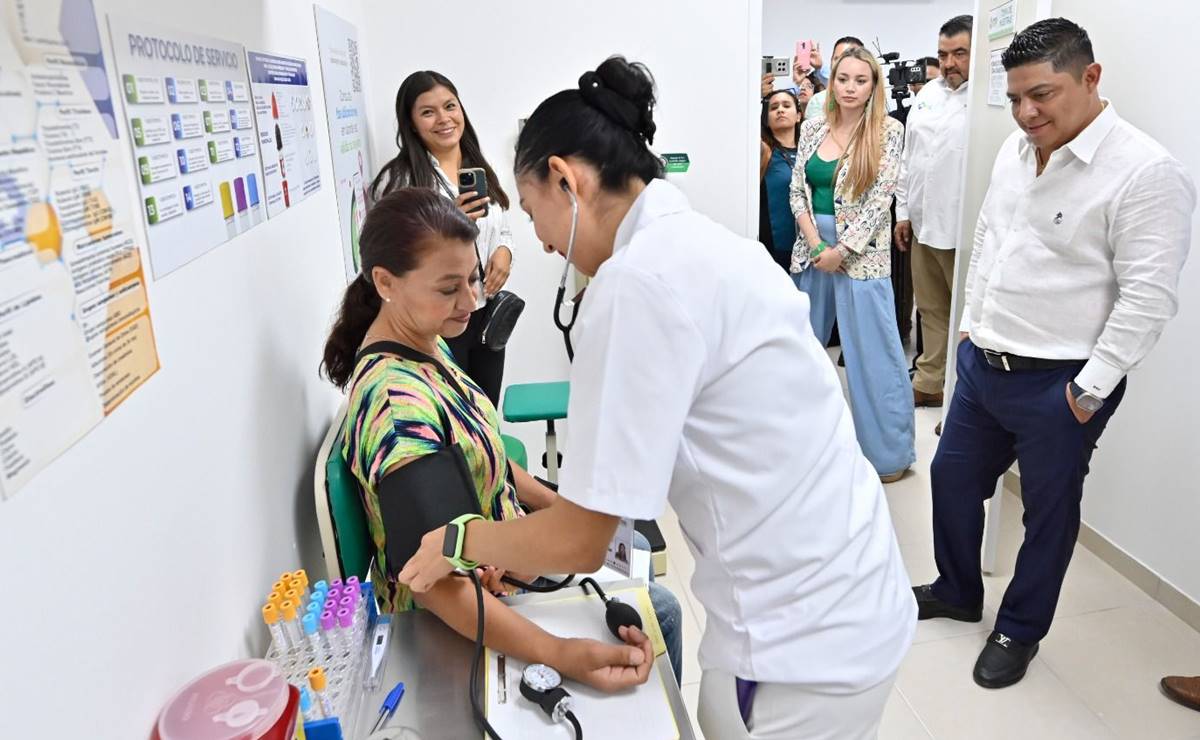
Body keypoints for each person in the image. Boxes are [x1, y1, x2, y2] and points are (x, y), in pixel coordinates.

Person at [400, 56, 915, 740]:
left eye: (535, 214)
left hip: (800, 648)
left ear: (565, 178)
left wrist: (460, 539)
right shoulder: (702, 244)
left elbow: (582, 540)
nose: (548, 244)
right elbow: (614, 502)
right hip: (854, 595)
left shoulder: (636, 284)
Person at [914, 18, 1195, 689]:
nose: (1025, 112)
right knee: (951, 478)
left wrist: (1087, 389)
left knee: (1048, 512)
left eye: (1041, 94)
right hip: (987, 362)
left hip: (1062, 382)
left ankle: (1018, 629)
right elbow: (988, 238)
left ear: (1091, 78)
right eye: (1014, 98)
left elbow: (1147, 298)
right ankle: (957, 589)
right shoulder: (1018, 150)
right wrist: (969, 329)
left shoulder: (1147, 173)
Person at [320, 186, 684, 686]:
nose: (471, 300)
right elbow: (434, 585)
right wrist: (559, 653)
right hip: (461, 613)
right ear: (385, 282)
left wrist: (559, 511)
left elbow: (485, 457)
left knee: (630, 543)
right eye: (448, 288)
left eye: (472, 278)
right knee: (660, 609)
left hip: (496, 567)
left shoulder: (426, 344)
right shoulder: (395, 406)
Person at [789, 46, 916, 483]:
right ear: (833, 80)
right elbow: (797, 192)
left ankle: (889, 455)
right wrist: (814, 244)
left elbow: (882, 199)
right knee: (799, 354)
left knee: (873, 356)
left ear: (873, 85)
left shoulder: (888, 131)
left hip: (862, 257)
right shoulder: (812, 126)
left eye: (861, 80)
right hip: (811, 252)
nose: (850, 88)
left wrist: (841, 251)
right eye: (843, 79)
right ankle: (800, 451)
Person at [370, 71, 514, 406]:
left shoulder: (478, 168)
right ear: (411, 123)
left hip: (483, 314)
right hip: (436, 321)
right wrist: (451, 223)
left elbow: (502, 225)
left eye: (450, 106)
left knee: (485, 413)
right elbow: (394, 250)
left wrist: (505, 251)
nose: (443, 118)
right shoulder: (399, 179)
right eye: (428, 112)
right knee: (449, 415)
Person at [895, 15, 973, 409]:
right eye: (944, 54)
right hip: (923, 224)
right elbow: (909, 160)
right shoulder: (927, 95)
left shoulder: (985, 102)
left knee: (965, 320)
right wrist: (903, 213)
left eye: (959, 53)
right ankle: (929, 383)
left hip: (962, 228)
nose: (949, 63)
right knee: (929, 310)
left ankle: (962, 398)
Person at [758, 89, 803, 269]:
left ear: (798, 115)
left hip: (812, 246)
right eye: (773, 107)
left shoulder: (812, 151)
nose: (780, 110)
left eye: (786, 105)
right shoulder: (763, 151)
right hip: (775, 248)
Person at [805, 36, 864, 122]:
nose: (842, 63)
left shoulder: (873, 99)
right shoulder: (819, 101)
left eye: (850, 58)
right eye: (837, 59)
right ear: (831, 62)